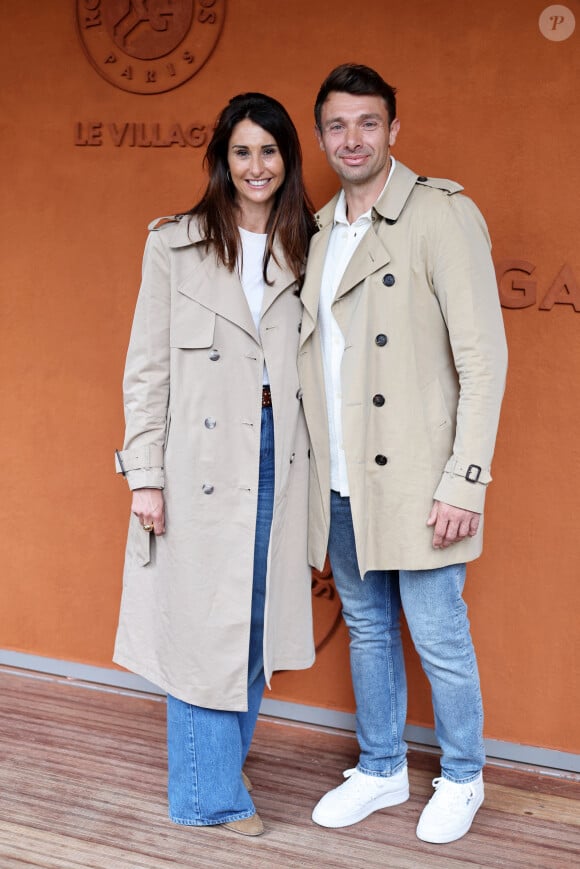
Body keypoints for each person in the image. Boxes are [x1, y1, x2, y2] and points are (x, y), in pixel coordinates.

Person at [298, 64, 508, 844]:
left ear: (395, 129)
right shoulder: (319, 230)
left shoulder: (440, 215)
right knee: (368, 627)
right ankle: (382, 766)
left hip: (422, 477)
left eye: (368, 123)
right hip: (345, 476)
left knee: (437, 631)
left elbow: (483, 360)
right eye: (337, 126)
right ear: (322, 137)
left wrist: (466, 480)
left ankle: (463, 775)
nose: (352, 139)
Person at [114, 93, 316, 837]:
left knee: (255, 617)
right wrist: (144, 474)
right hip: (199, 456)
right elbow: (146, 368)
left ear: (288, 160)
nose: (256, 166)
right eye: (242, 151)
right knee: (203, 618)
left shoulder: (311, 243)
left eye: (269, 151)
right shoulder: (175, 245)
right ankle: (208, 795)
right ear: (221, 161)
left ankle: (219, 762)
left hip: (279, 452)